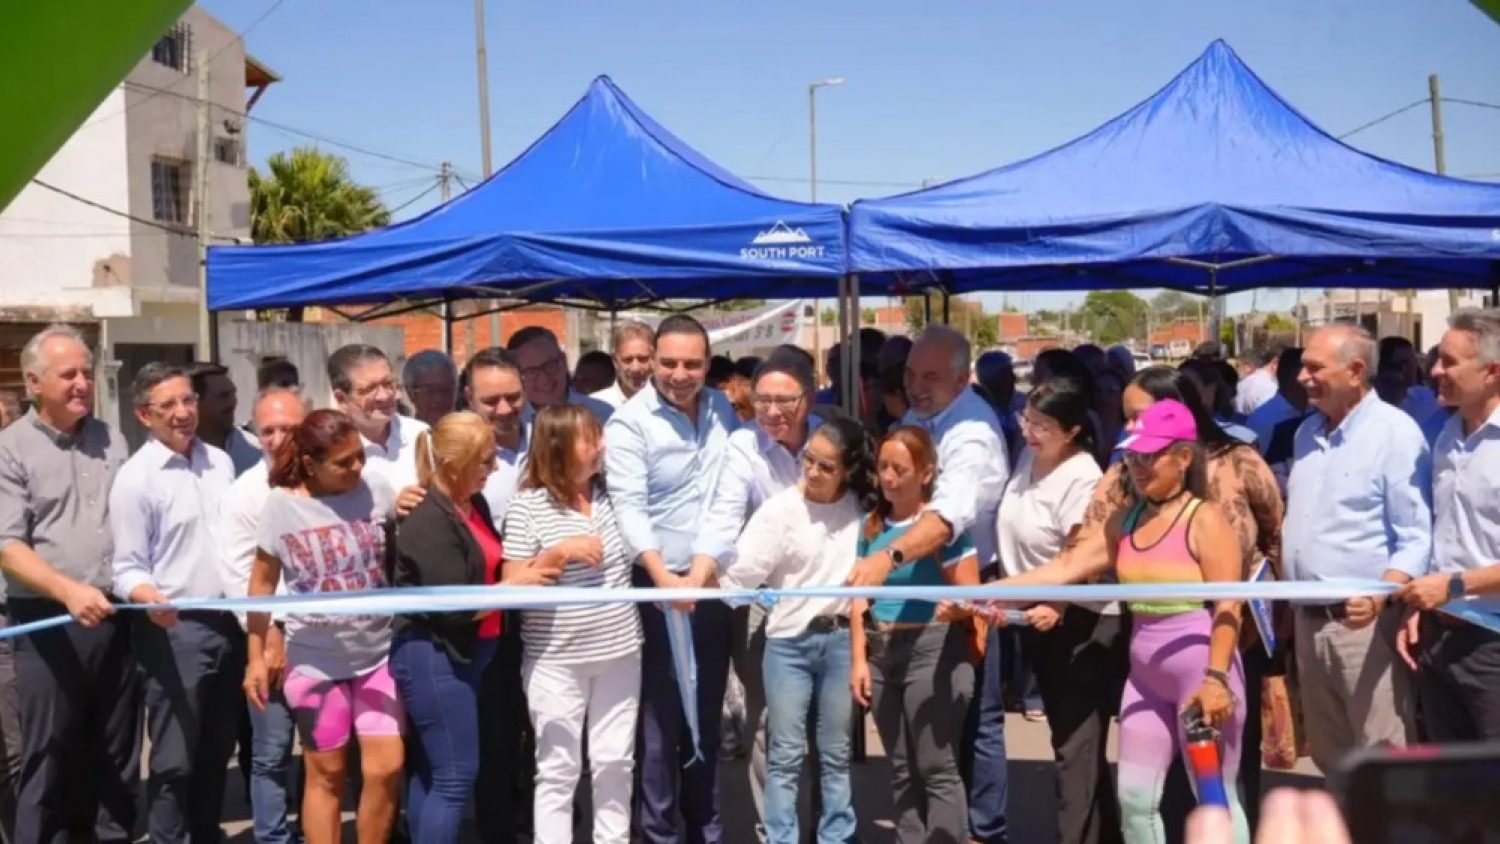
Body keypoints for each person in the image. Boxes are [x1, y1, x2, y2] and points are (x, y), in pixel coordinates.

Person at [994, 400, 1250, 844]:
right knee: (1134, 803)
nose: (1138, 467)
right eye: (1132, 456)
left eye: (1149, 456)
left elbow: (1231, 605)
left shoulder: (1205, 520)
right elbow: (1062, 569)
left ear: (1183, 457)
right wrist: (979, 595)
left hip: (1202, 675)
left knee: (1214, 799)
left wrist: (1216, 678)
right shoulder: (1123, 523)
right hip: (1145, 680)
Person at [846, 326, 1010, 844]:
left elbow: (946, 519)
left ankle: (983, 834)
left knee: (965, 738)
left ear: (962, 379)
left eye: (931, 377)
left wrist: (887, 556)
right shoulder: (919, 420)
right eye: (911, 375)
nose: (916, 386)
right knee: (908, 760)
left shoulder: (973, 432)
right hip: (897, 620)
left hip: (961, 593)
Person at [391, 411, 566, 844]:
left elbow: (490, 567)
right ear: (454, 465)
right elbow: (453, 609)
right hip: (435, 657)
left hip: (468, 656)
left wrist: (544, 561)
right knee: (454, 777)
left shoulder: (472, 504)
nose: (495, 467)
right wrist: (513, 587)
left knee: (435, 773)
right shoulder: (429, 520)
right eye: (485, 461)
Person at [0, 324, 139, 844]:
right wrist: (70, 592)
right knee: (49, 760)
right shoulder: (10, 449)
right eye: (68, 374)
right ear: (34, 383)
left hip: (115, 619)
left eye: (86, 372)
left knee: (115, 758)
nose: (82, 383)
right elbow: (7, 546)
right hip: (48, 623)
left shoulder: (111, 438)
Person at [604, 314, 737, 844]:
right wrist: (664, 579)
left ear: (708, 364)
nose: (680, 375)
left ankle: (706, 829)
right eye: (669, 363)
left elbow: (728, 497)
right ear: (653, 362)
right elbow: (629, 508)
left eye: (692, 364)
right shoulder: (628, 424)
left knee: (705, 715)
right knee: (659, 723)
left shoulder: (722, 409)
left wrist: (700, 574)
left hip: (710, 584)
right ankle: (658, 833)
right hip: (654, 588)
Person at [246, 409, 404, 844]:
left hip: (378, 655)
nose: (357, 467)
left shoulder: (376, 490)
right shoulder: (281, 506)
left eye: (360, 456)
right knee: (326, 772)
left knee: (386, 767)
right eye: (343, 462)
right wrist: (255, 656)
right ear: (310, 464)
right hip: (315, 662)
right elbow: (261, 584)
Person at [718, 417, 875, 844]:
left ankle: (836, 837)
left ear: (848, 470)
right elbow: (740, 575)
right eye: (808, 460)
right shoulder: (780, 511)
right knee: (784, 754)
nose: (812, 471)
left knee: (835, 753)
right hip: (788, 644)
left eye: (826, 466)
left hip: (841, 641)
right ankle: (780, 837)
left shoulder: (862, 507)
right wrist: (710, 585)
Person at [109, 362, 245, 844]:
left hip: (229, 623)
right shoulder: (135, 480)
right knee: (174, 761)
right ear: (144, 415)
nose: (183, 412)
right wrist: (148, 596)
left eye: (188, 400)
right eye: (168, 405)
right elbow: (126, 567)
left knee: (216, 751)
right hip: (174, 629)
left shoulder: (220, 462)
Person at [1284, 325, 1429, 771]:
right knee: (1333, 762)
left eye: (1315, 368)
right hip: (1308, 623)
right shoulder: (1307, 434)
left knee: (1382, 762)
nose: (1302, 378)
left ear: (1356, 371)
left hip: (1365, 628)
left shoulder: (1395, 434)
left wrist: (1379, 595)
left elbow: (1416, 536)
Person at [694, 346, 822, 843]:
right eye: (762, 399)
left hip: (825, 597)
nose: (771, 411)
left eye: (784, 401)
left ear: (809, 398)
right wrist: (702, 574)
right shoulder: (743, 445)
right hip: (763, 603)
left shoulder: (831, 439)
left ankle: (828, 831)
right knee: (769, 725)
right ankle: (776, 833)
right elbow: (724, 518)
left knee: (826, 732)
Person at [504, 405, 644, 844]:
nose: (601, 447)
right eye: (589, 439)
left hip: (621, 654)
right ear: (558, 448)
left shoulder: (613, 494)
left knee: (615, 762)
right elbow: (512, 584)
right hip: (555, 662)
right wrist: (559, 553)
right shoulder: (527, 506)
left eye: (599, 436)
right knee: (558, 769)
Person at [995, 377, 1120, 844]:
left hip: (1077, 621)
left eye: (1041, 425)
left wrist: (1057, 600)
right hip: (1029, 612)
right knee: (1071, 744)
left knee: (1075, 748)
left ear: (1071, 431)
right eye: (1026, 420)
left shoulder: (1082, 477)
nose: (1028, 431)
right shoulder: (1029, 456)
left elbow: (1079, 555)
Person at [850, 425, 979, 844]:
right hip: (882, 651)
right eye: (883, 467)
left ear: (926, 474)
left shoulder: (941, 529)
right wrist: (859, 660)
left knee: (936, 765)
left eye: (900, 470)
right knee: (901, 766)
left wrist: (957, 608)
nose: (888, 478)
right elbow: (858, 597)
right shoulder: (870, 527)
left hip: (933, 647)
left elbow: (972, 595)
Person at [1394, 308, 1500, 741]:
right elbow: (1446, 534)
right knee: (1454, 776)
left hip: (1491, 641)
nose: (1434, 370)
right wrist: (1421, 606)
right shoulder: (1446, 435)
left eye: (1449, 361)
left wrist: (1453, 586)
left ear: (1492, 372)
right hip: (1440, 637)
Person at [220, 388, 308, 844]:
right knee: (271, 752)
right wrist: (269, 634)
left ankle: (316, 831)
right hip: (268, 634)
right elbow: (240, 574)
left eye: (288, 429)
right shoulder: (243, 493)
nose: (277, 440)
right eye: (267, 431)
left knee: (323, 750)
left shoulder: (327, 481)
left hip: (322, 636)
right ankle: (272, 837)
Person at [459, 348, 534, 843]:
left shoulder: (548, 437)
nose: (505, 409)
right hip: (490, 612)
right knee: (496, 728)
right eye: (491, 401)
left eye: (513, 396)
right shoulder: (455, 453)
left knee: (547, 726)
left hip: (549, 607)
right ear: (469, 397)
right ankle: (500, 828)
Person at [507, 327, 613, 424]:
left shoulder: (603, 416)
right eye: (531, 372)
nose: (544, 378)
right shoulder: (510, 424)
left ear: (564, 361)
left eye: (550, 365)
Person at [189, 362, 261, 474]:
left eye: (233, 394)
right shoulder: (178, 456)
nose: (232, 403)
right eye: (223, 396)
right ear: (195, 402)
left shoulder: (256, 448)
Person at [592, 321, 655, 408]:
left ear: (655, 358)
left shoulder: (668, 404)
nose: (635, 368)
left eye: (642, 359)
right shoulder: (596, 405)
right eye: (628, 360)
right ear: (615, 361)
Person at [402, 350, 459, 427]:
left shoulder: (471, 433)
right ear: (410, 393)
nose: (439, 398)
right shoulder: (401, 434)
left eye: (445, 389)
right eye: (430, 391)